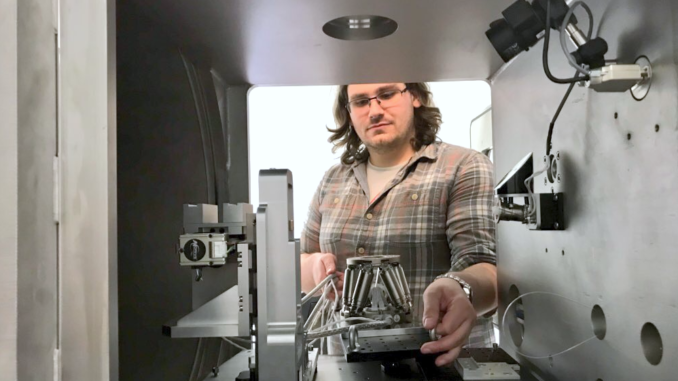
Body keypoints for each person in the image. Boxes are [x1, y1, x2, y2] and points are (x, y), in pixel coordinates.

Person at [300, 82, 497, 367]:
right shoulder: (332, 179)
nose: (374, 110)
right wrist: (316, 269)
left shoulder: (463, 166)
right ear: (349, 112)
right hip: (346, 366)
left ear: (414, 96)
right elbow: (302, 260)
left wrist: (458, 287)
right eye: (361, 102)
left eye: (387, 95)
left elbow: (485, 266)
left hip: (441, 364)